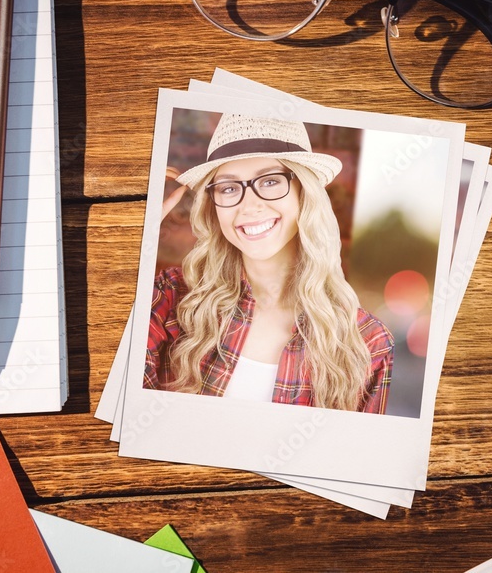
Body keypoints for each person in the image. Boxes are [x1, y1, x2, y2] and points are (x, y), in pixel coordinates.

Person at [144, 113, 394, 414]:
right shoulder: (168, 298)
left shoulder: (369, 342)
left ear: (305, 193)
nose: (249, 206)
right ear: (213, 207)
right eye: (228, 188)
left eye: (271, 181)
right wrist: (134, 243)